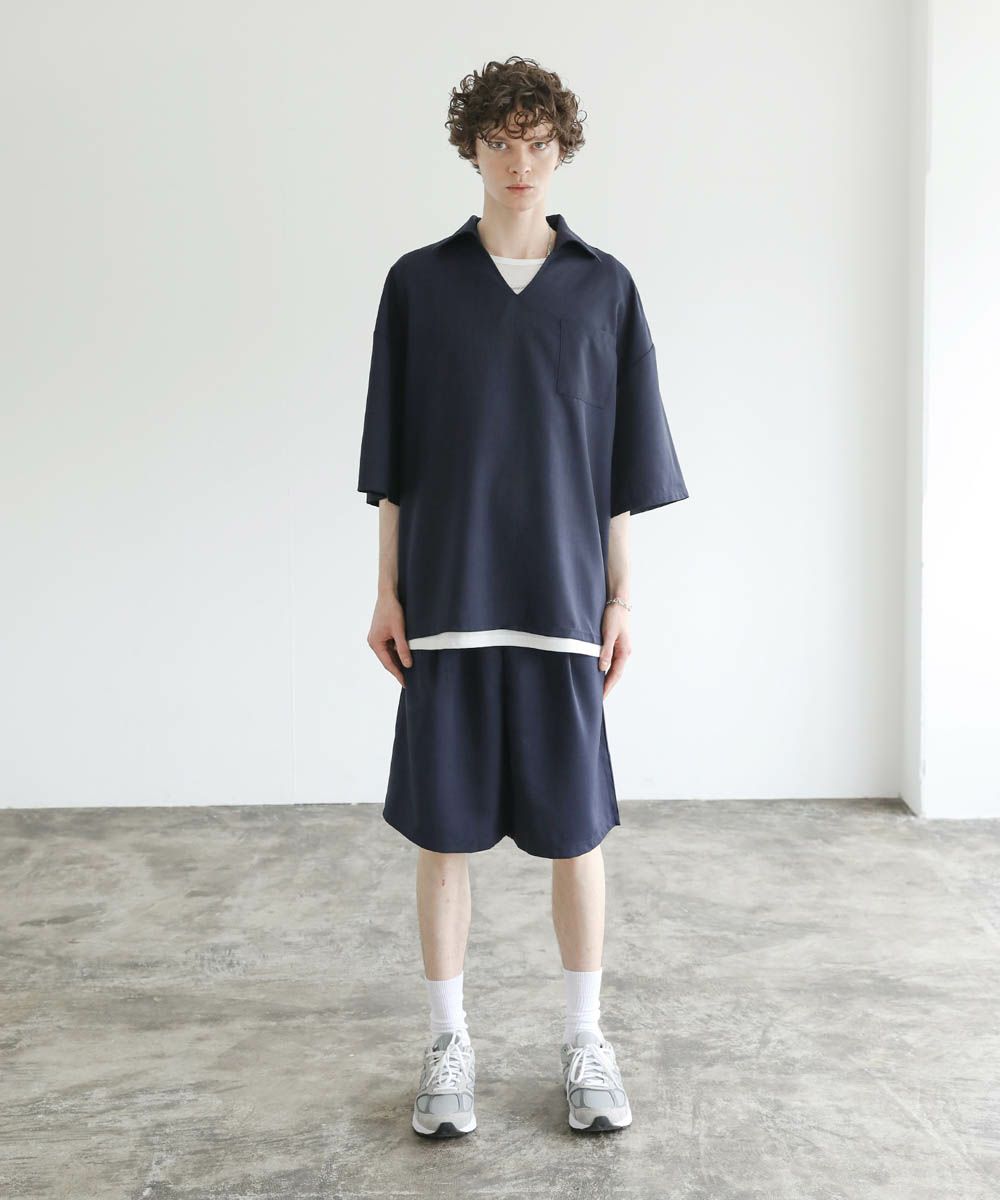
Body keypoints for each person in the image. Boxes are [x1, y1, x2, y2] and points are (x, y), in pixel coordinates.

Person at [357, 56, 688, 1137]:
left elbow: (621, 465)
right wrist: (386, 591)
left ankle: (585, 1039)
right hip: (447, 598)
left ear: (561, 151)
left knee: (577, 839)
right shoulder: (419, 284)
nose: (518, 161)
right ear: (472, 148)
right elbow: (392, 460)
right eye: (500, 141)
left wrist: (622, 598)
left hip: (561, 605)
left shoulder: (604, 287)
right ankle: (448, 1043)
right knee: (441, 838)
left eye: (537, 142)